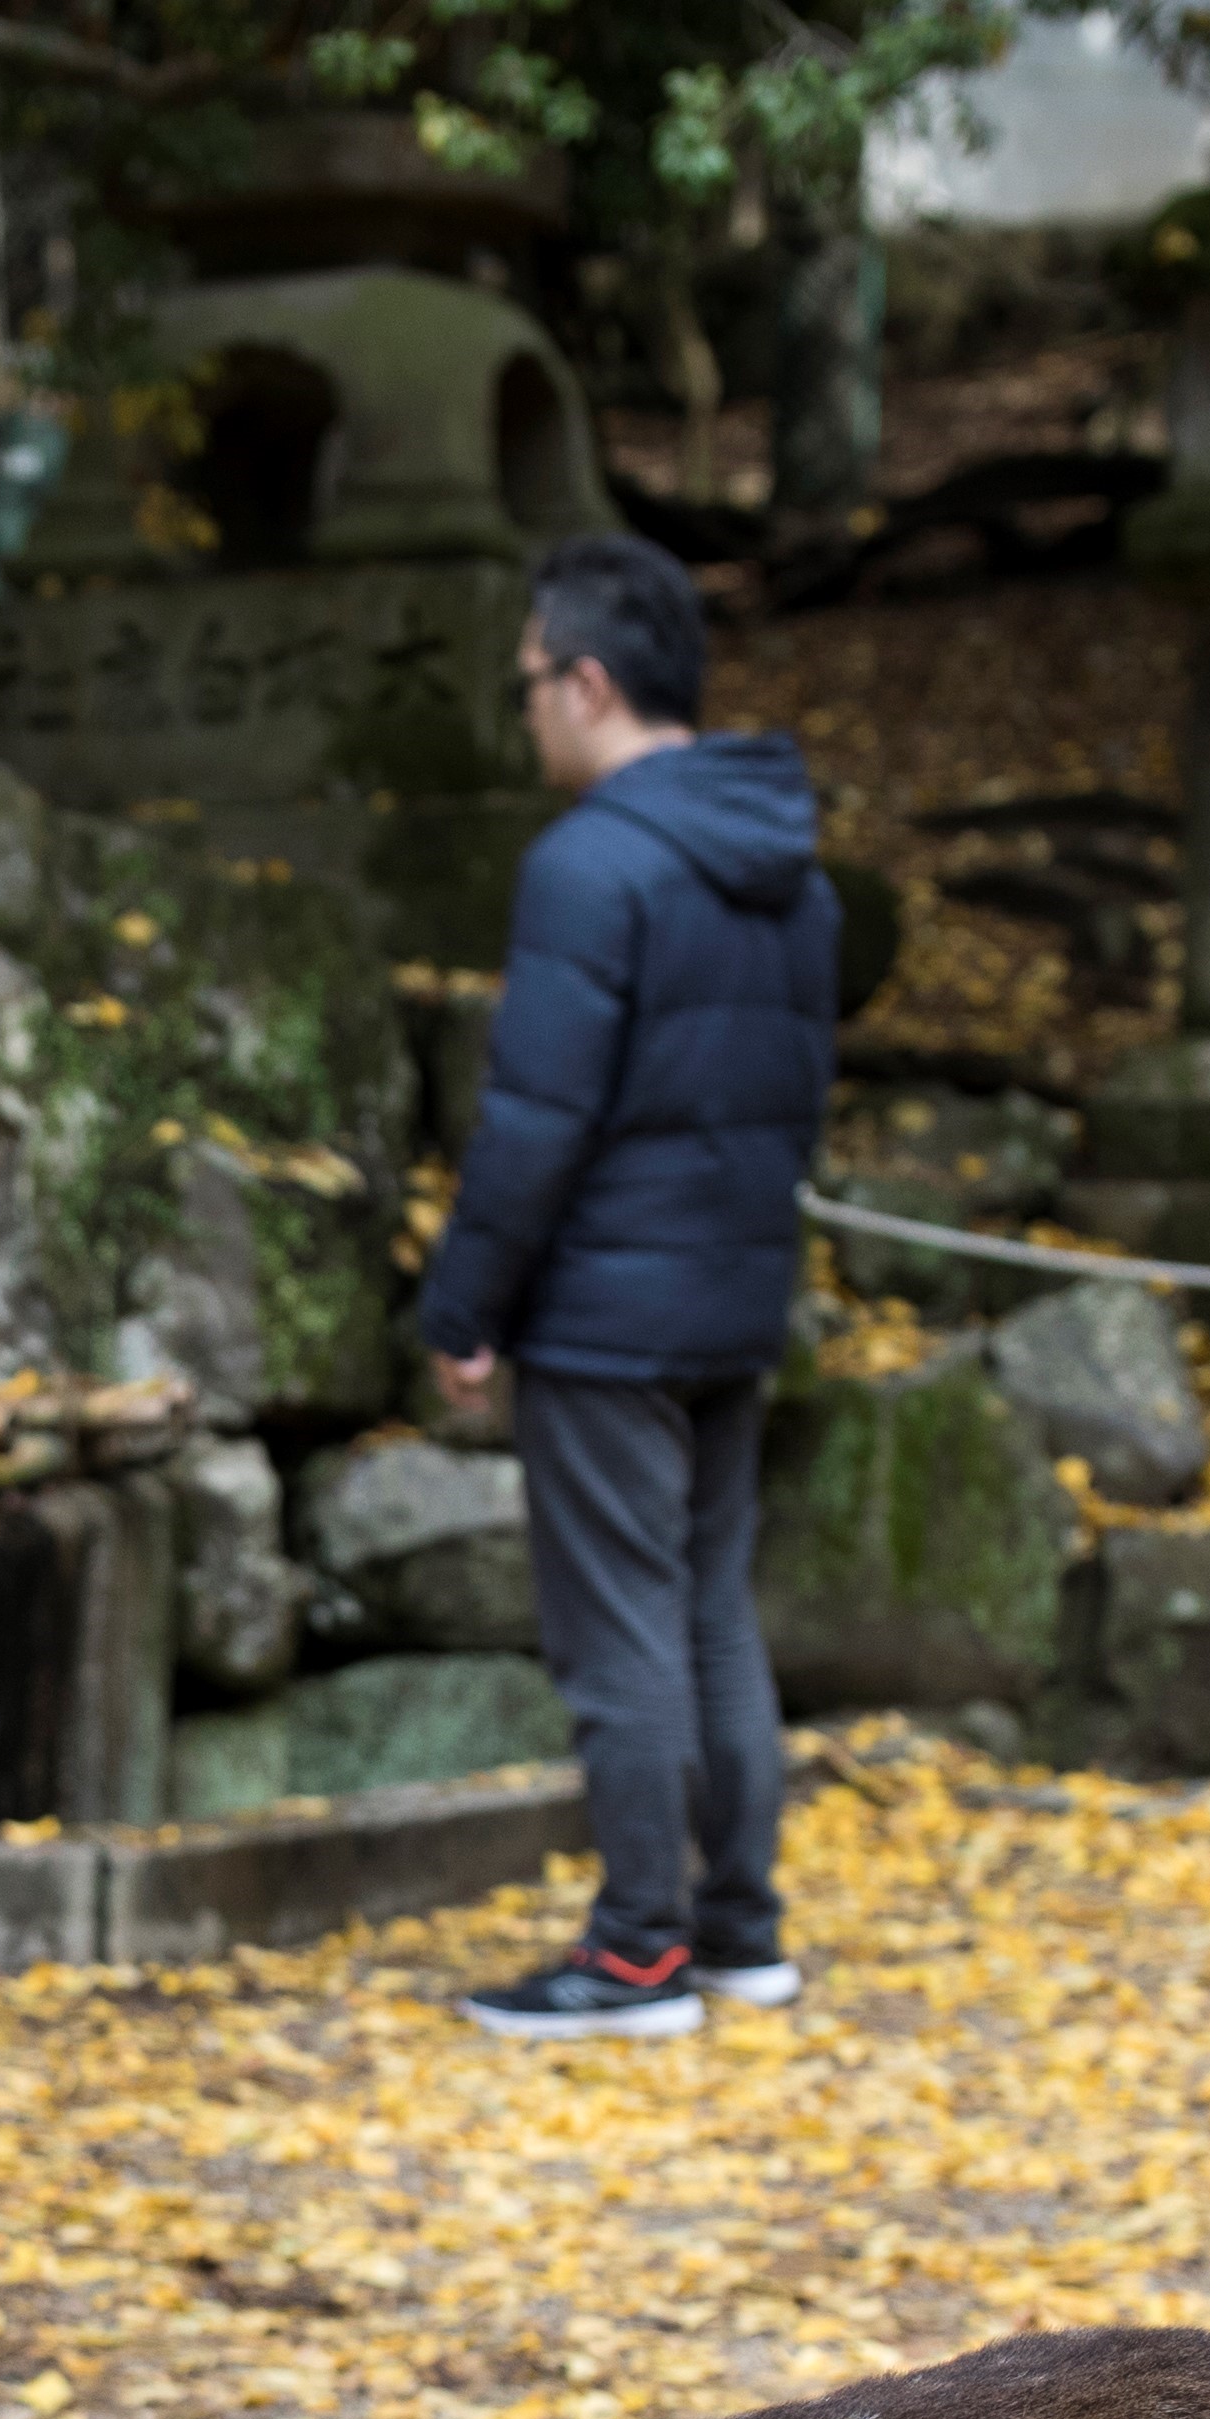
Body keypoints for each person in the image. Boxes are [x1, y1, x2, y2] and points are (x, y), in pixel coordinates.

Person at [410, 530, 842, 2042]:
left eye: (529, 679)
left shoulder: (590, 866)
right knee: (714, 1609)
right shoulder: (789, 868)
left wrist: (464, 1306)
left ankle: (640, 1951)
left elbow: (537, 1122)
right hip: (734, 1299)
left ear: (588, 683)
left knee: (623, 1634)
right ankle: (740, 1933)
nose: (522, 708)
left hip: (606, 1310)